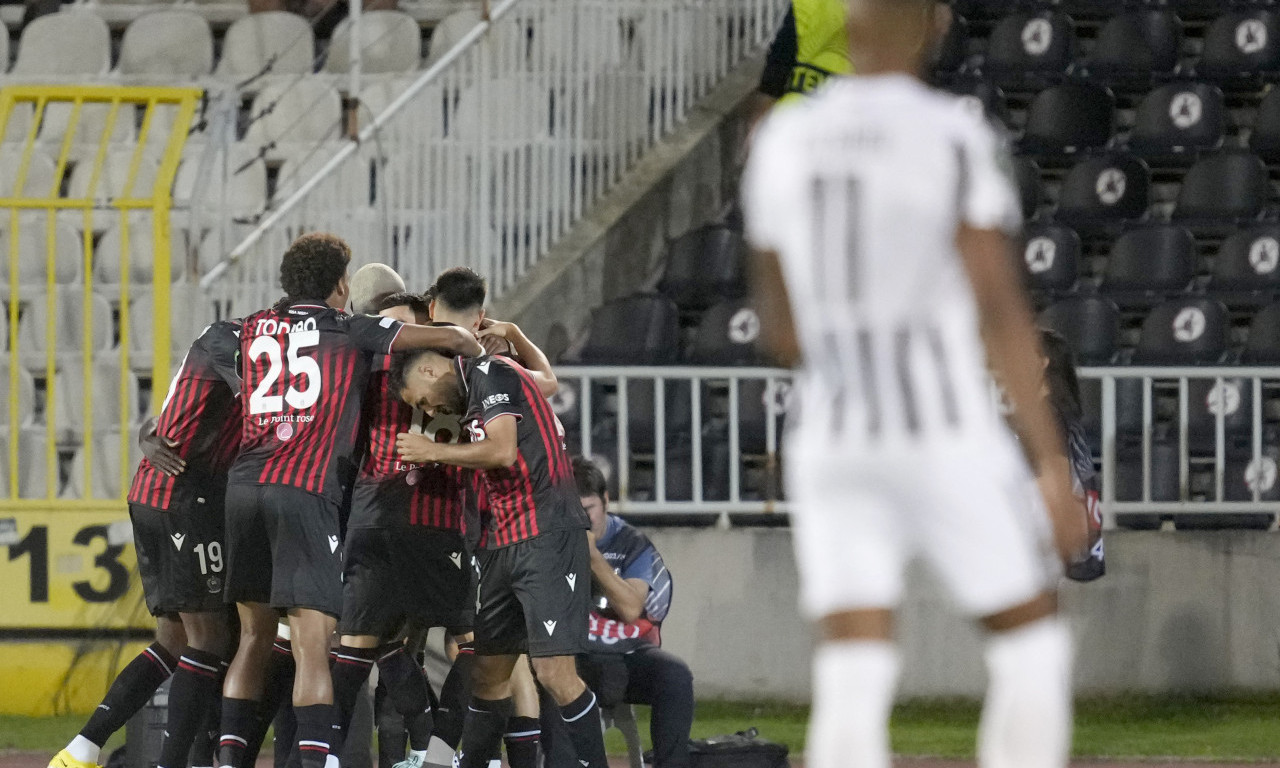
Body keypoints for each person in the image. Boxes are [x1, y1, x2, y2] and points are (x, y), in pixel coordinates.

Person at [742, 0, 1087, 766]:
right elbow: (1002, 311)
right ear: (930, 27)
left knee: (852, 666)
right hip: (942, 428)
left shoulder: (783, 140)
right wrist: (1053, 462)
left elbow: (783, 331)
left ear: (851, 31)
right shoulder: (951, 134)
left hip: (833, 436)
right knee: (1029, 641)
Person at [216, 233, 483, 768]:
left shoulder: (247, 328)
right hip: (304, 490)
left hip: (242, 489)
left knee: (252, 639)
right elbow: (458, 342)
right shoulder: (350, 328)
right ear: (341, 285)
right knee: (313, 646)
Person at [387, 346, 608, 768]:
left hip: (547, 535)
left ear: (431, 369)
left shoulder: (490, 371)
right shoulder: (479, 391)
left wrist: (432, 451)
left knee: (553, 673)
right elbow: (546, 380)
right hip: (504, 542)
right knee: (488, 675)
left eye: (421, 398)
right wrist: (514, 332)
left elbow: (503, 450)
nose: (428, 410)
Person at [48, 322, 243, 768]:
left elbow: (164, 416)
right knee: (211, 637)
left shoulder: (219, 342)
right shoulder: (243, 346)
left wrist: (146, 434)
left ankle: (81, 750)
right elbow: (268, 404)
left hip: (157, 495)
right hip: (185, 498)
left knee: (175, 641)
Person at [329, 289, 482, 768]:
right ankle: (437, 752)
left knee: (371, 646)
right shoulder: (458, 371)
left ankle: (335, 755)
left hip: (386, 518)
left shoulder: (372, 372)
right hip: (422, 523)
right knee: (471, 645)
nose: (392, 338)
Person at [542, 457, 693, 768]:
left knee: (675, 675)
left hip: (626, 654)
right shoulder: (548, 541)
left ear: (606, 501)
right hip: (574, 656)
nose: (581, 520)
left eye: (588, 510)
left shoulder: (631, 543)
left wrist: (594, 558)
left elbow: (630, 607)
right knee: (553, 679)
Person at [1039, 328, 1104, 582]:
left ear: (1042, 362)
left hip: (1041, 531)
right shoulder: (1061, 413)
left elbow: (1055, 482)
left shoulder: (1048, 416)